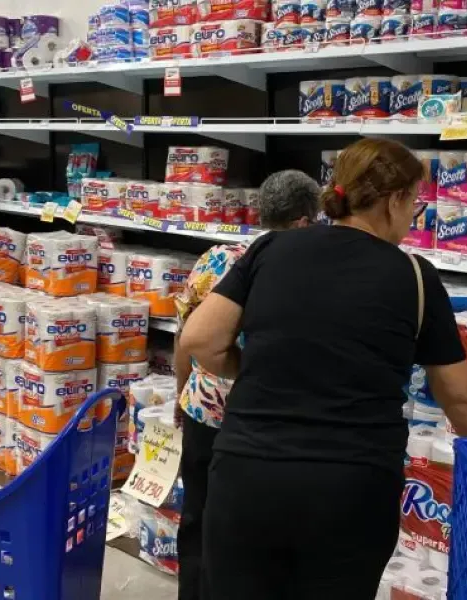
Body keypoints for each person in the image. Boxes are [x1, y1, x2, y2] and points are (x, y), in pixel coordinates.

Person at [181, 138, 467, 599]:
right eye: (415, 204)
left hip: (248, 476)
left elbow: (199, 339)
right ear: (394, 201)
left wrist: (256, 368)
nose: (413, 217)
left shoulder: (271, 249)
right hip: (351, 489)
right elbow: (460, 395)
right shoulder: (414, 276)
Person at [173, 170, 321, 600]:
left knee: (197, 520)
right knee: (254, 539)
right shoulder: (304, 271)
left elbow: (186, 337)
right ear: (304, 221)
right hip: (263, 424)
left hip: (204, 410)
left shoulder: (215, 258)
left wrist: (183, 396)